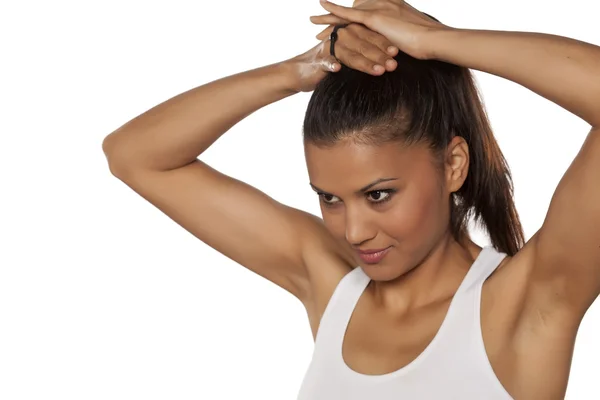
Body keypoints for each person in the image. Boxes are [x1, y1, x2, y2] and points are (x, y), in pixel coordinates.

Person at [102, 0, 600, 398]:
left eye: (378, 195)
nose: (353, 231)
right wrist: (299, 70)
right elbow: (134, 155)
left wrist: (436, 42)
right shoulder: (332, 283)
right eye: (330, 199)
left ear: (453, 165)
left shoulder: (530, 303)